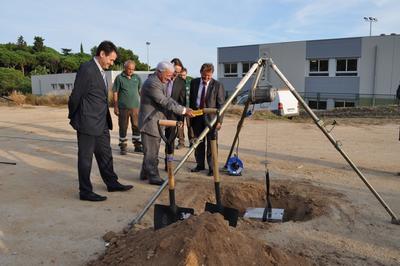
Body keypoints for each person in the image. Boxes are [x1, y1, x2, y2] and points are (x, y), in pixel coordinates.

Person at [68, 41, 133, 202]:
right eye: (110, 60)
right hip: (87, 122)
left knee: (105, 154)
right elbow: (76, 96)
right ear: (102, 54)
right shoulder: (87, 69)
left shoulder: (101, 72)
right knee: (85, 158)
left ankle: (112, 183)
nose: (111, 63)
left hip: (102, 121)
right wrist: (74, 117)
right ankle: (85, 191)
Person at [138, 61, 193, 185]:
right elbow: (164, 102)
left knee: (151, 149)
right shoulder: (152, 83)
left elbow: (169, 99)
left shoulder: (159, 81)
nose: (170, 79)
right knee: (152, 152)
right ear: (159, 72)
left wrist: (182, 107)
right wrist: (183, 111)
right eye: (168, 75)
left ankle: (144, 173)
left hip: (155, 121)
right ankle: (153, 176)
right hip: (150, 122)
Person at [190, 63, 225, 176]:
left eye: (208, 76)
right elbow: (191, 99)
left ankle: (212, 167)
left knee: (212, 143)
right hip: (197, 117)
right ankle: (200, 165)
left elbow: (221, 105)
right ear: (201, 73)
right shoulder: (194, 83)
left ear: (212, 74)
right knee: (199, 142)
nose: (206, 78)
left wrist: (219, 120)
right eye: (204, 76)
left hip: (211, 119)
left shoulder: (217, 85)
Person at [112, 60, 143, 155]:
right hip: (123, 108)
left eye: (133, 69)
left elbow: (140, 91)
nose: (131, 71)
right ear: (125, 68)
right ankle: (123, 147)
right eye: (129, 69)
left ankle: (137, 146)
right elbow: (115, 92)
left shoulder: (137, 78)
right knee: (123, 127)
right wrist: (116, 107)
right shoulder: (119, 78)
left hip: (135, 108)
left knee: (137, 127)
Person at [163, 58, 186, 170]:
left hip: (172, 116)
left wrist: (181, 119)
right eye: (174, 72)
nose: (176, 74)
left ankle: (169, 164)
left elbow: (182, 102)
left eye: (178, 72)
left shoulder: (181, 82)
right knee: (154, 142)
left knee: (170, 141)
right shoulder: (161, 79)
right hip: (158, 114)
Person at [177, 67, 195, 148]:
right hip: (179, 108)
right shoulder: (176, 82)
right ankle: (181, 142)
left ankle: (192, 141)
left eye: (183, 75)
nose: (182, 77)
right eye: (180, 75)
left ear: (186, 74)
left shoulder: (191, 82)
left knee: (190, 125)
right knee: (180, 125)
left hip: (189, 107)